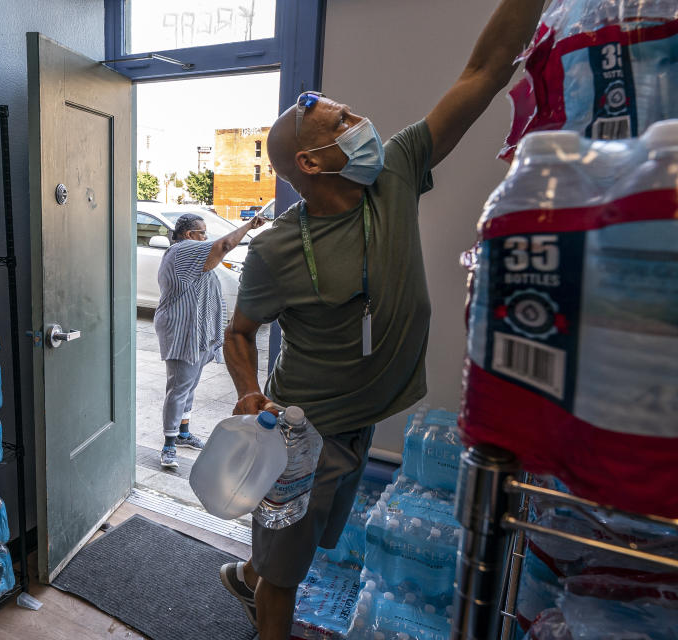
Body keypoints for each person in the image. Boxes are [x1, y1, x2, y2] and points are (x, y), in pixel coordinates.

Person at [217, 1, 548, 638]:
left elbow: (481, 73)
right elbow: (238, 331)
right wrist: (248, 393)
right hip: (300, 434)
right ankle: (260, 595)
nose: (361, 121)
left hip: (360, 422)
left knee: (302, 548)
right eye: (342, 121)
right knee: (288, 579)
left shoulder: (394, 171)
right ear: (310, 162)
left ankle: (246, 576)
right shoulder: (276, 247)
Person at [154, 212, 266, 469]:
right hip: (182, 333)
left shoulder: (192, 254)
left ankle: (182, 434)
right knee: (179, 388)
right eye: (202, 233)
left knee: (188, 386)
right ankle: (168, 446)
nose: (206, 237)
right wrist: (249, 225)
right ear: (189, 235)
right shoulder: (182, 251)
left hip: (197, 333)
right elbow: (224, 245)